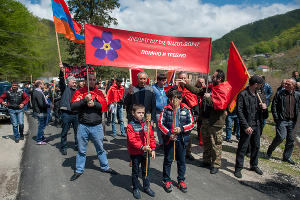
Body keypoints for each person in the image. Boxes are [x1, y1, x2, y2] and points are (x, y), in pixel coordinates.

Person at [182, 69, 232, 174]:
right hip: (205, 119)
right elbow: (197, 91)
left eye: (213, 77)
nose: (211, 78)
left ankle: (216, 164)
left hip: (216, 122)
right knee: (206, 142)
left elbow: (221, 105)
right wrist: (185, 84)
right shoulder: (210, 88)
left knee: (216, 144)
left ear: (219, 78)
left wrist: (209, 98)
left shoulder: (224, 88)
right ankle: (206, 160)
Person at [70, 73, 117, 181]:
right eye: (90, 79)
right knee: (81, 150)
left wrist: (94, 104)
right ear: (85, 81)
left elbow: (104, 107)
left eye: (94, 79)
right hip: (83, 126)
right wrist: (84, 100)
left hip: (97, 126)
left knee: (100, 149)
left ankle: (105, 167)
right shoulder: (79, 92)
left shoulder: (99, 93)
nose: (92, 81)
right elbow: (73, 107)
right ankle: (79, 170)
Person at [158, 90, 195, 193]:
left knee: (181, 161)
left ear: (180, 99)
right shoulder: (166, 109)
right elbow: (160, 124)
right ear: (170, 99)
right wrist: (169, 134)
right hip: (170, 139)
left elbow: (192, 124)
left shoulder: (186, 109)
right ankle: (166, 180)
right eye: (172, 98)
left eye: (177, 98)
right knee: (168, 160)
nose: (174, 100)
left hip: (182, 139)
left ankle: (181, 180)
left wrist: (181, 129)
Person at [234, 75, 268, 178]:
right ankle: (238, 168)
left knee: (256, 146)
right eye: (260, 84)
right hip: (247, 126)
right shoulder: (243, 94)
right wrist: (245, 126)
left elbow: (265, 114)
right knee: (243, 147)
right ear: (255, 84)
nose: (262, 86)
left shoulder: (260, 95)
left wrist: (265, 108)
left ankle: (254, 165)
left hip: (257, 125)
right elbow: (239, 111)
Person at [266, 79, 300, 165]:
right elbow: (273, 106)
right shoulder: (279, 93)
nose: (285, 85)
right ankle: (270, 150)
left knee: (291, 140)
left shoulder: (297, 95)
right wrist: (276, 118)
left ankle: (286, 157)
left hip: (293, 121)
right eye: (285, 84)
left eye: (288, 84)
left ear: (293, 86)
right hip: (282, 120)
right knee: (280, 137)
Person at [166, 72, 198, 161]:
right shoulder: (176, 88)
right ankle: (175, 152)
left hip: (187, 113)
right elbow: (168, 94)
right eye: (181, 78)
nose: (183, 80)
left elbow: (195, 100)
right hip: (176, 113)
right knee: (175, 132)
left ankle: (188, 152)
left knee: (187, 134)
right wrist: (175, 86)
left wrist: (196, 114)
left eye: (184, 78)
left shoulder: (190, 88)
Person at [127, 104, 156, 199]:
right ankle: (135, 188)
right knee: (135, 171)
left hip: (146, 152)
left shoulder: (147, 123)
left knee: (146, 171)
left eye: (143, 113)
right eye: (139, 112)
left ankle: (146, 187)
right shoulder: (130, 126)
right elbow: (132, 141)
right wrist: (142, 147)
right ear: (133, 113)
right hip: (136, 153)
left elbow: (151, 136)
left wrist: (153, 148)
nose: (141, 115)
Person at [59, 63, 79, 155]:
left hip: (75, 114)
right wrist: (61, 71)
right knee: (64, 131)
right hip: (66, 114)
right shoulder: (64, 88)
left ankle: (77, 145)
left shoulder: (78, 91)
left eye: (75, 82)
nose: (75, 84)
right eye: (73, 82)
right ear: (69, 83)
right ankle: (63, 147)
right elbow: (61, 81)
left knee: (77, 131)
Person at [152, 73, 168, 149]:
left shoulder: (166, 87)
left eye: (165, 80)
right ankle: (161, 143)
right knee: (159, 127)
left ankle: (166, 141)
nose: (164, 82)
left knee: (166, 126)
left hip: (166, 110)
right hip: (158, 111)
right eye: (162, 80)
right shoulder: (153, 88)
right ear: (158, 80)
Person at [32, 80, 50, 145]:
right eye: (42, 84)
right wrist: (49, 105)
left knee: (42, 125)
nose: (44, 85)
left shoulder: (38, 92)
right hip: (41, 112)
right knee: (41, 126)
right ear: (40, 85)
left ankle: (41, 137)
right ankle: (39, 140)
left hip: (41, 111)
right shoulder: (38, 92)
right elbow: (41, 104)